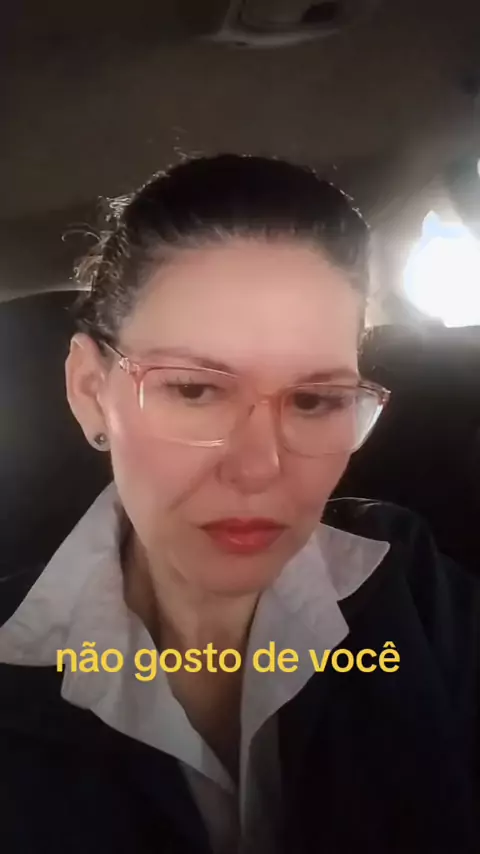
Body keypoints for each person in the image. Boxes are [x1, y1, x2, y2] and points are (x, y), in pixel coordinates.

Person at [0, 154, 478, 854]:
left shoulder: (416, 590)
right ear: (90, 391)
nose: (259, 470)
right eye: (195, 390)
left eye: (314, 400)